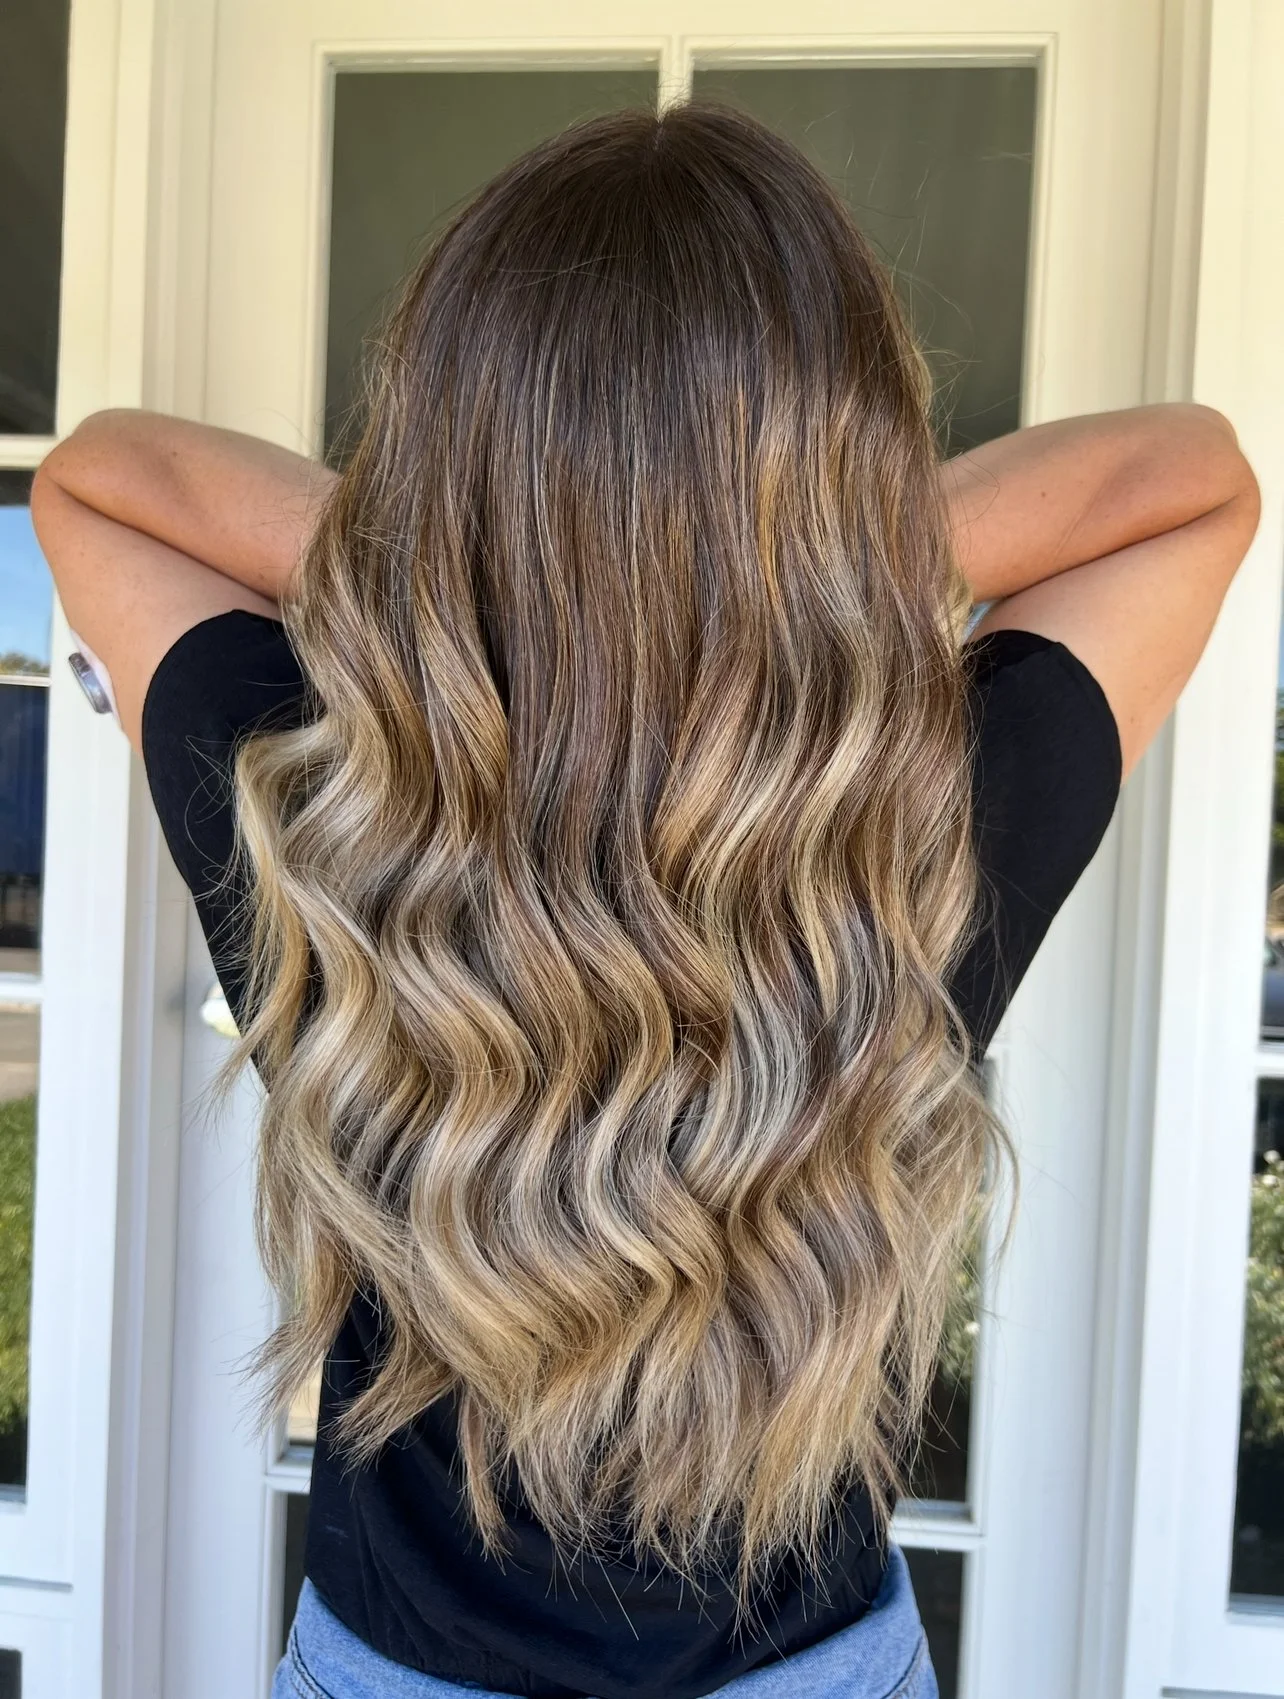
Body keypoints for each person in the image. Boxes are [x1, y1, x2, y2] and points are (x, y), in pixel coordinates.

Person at [32, 102, 1259, 1699]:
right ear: (840, 456)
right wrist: (762, 562)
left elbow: (100, 483)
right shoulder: (909, 829)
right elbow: (1196, 479)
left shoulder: (329, 812)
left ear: (450, 445)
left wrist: (504, 557)